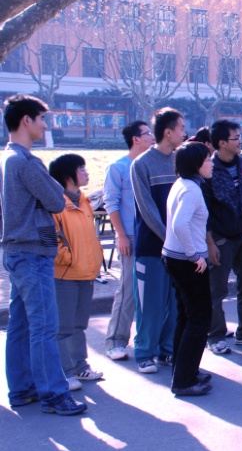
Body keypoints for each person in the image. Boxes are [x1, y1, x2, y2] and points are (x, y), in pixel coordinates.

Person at [1, 95, 86, 416]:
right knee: (44, 326)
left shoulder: (7, 158)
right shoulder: (26, 162)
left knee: (21, 325)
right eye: (41, 119)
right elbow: (56, 200)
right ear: (26, 120)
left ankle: (22, 389)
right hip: (33, 251)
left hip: (16, 250)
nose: (45, 126)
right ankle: (54, 394)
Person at [131, 107, 186, 374]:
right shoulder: (141, 164)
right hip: (152, 248)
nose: (184, 133)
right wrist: (169, 237)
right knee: (150, 305)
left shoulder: (180, 161)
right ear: (168, 132)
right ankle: (144, 352)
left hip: (178, 248)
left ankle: (167, 349)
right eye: (181, 128)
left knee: (175, 305)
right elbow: (147, 209)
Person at [204, 120, 242, 355]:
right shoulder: (209, 169)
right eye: (236, 138)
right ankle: (215, 335)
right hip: (221, 238)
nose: (240, 141)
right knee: (216, 289)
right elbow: (204, 210)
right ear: (221, 143)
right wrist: (210, 243)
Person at [161, 142, 215, 396]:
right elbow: (180, 225)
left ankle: (184, 371)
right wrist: (194, 255)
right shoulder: (192, 189)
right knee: (199, 318)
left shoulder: (182, 184)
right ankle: (184, 380)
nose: (212, 163)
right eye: (208, 160)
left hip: (175, 257)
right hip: (187, 261)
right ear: (195, 164)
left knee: (186, 316)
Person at [49, 154, 105, 392]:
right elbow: (51, 238)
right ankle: (64, 372)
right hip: (65, 275)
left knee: (79, 325)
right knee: (63, 327)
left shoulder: (84, 201)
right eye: (80, 168)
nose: (86, 172)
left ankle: (80, 366)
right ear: (67, 175)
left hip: (86, 273)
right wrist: (68, 259)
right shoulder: (55, 203)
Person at [102, 120, 154, 361]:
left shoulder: (149, 165)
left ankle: (152, 342)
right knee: (128, 290)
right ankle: (115, 341)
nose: (152, 136)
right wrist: (121, 235)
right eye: (147, 133)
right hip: (131, 236)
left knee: (152, 292)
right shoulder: (118, 167)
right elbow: (111, 203)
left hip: (151, 235)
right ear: (136, 139)